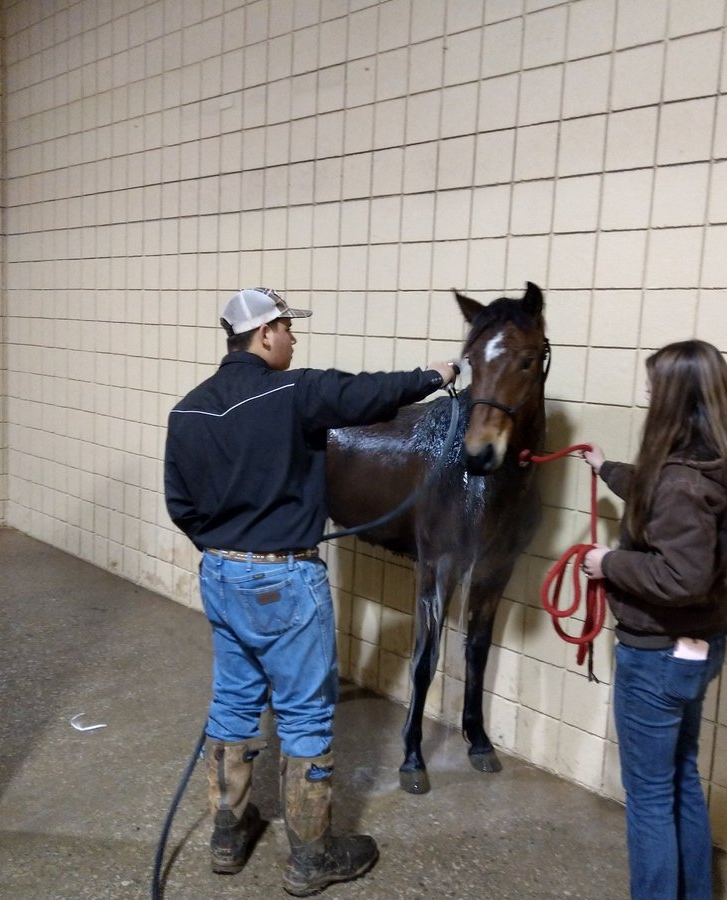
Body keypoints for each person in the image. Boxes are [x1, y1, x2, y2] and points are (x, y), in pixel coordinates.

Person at [163, 287, 458, 896]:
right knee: (303, 713)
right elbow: (366, 393)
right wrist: (436, 374)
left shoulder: (187, 411)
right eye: (289, 329)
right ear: (266, 333)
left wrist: (228, 553)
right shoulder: (293, 393)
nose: (295, 340)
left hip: (221, 574)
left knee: (235, 701)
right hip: (285, 580)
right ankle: (312, 856)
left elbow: (181, 505)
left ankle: (228, 832)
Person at [579, 339, 727, 900]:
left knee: (650, 797)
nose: (647, 394)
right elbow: (658, 491)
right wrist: (605, 467)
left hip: (655, 656)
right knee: (680, 774)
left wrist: (605, 561)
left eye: (655, 387)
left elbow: (681, 575)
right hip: (698, 649)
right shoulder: (714, 459)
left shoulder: (681, 481)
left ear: (678, 399)